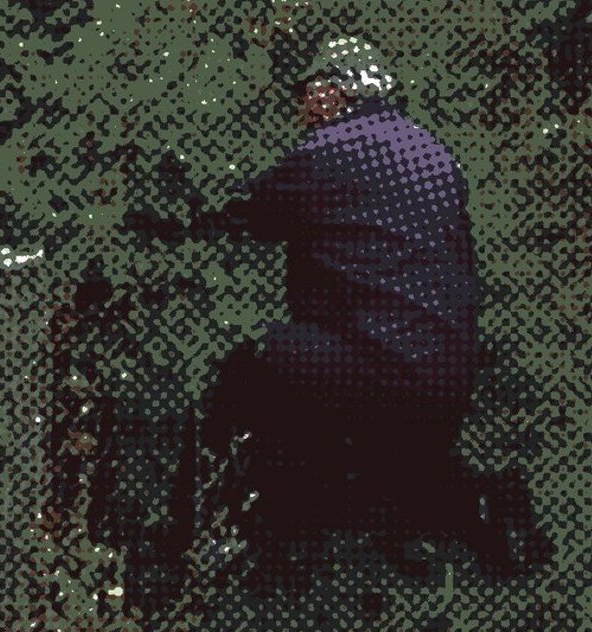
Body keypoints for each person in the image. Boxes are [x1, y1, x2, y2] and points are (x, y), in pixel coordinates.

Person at [128, 37, 549, 587]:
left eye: (306, 92)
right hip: (449, 372)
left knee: (251, 369)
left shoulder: (328, 151)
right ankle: (484, 511)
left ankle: (209, 533)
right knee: (399, 462)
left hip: (373, 365)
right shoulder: (434, 153)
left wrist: (164, 209)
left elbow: (245, 214)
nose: (301, 106)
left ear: (334, 91)